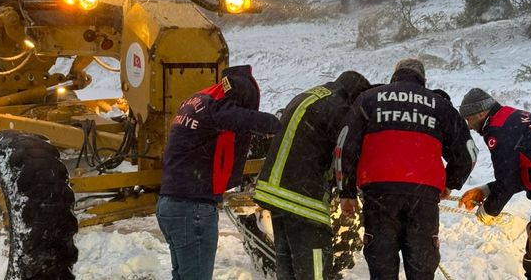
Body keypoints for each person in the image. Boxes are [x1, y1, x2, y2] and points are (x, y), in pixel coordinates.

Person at [338, 58, 477, 280]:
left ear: (395, 75)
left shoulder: (369, 99)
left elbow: (345, 146)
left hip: (379, 196)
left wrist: (347, 192)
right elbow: (468, 154)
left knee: (382, 269)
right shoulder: (439, 105)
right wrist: (449, 183)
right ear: (423, 79)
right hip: (423, 199)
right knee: (421, 270)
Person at [156, 64, 281, 280]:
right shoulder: (217, 108)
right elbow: (239, 118)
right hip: (192, 209)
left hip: (171, 204)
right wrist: (278, 125)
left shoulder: (198, 101)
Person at [253, 70, 371, 280]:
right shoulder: (341, 108)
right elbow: (346, 152)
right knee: (314, 270)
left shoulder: (312, 95)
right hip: (303, 199)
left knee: (287, 268)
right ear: (356, 95)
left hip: (274, 194)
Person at [457, 88, 531, 280]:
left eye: (469, 119)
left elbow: (507, 181)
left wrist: (489, 210)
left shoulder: (498, 129)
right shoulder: (514, 117)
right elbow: (527, 169)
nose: (469, 126)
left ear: (481, 112)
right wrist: (486, 189)